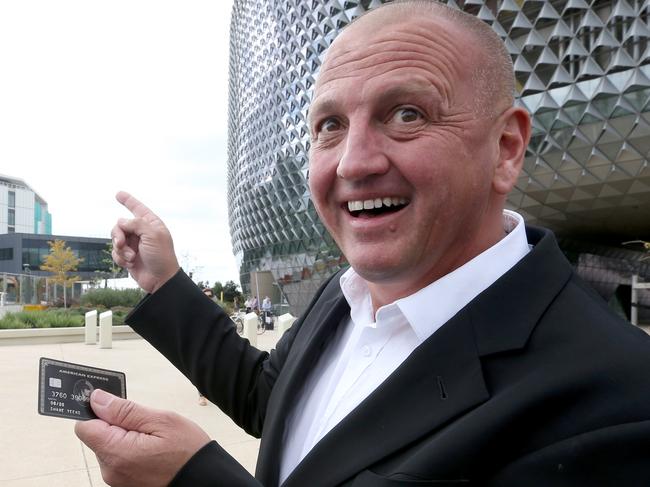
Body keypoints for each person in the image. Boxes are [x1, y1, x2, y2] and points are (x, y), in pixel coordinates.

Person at [75, 1, 650, 486]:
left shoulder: (617, 403)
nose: (353, 162)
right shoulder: (346, 292)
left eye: (405, 114)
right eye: (330, 126)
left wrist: (192, 479)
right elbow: (269, 399)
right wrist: (165, 281)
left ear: (505, 148)